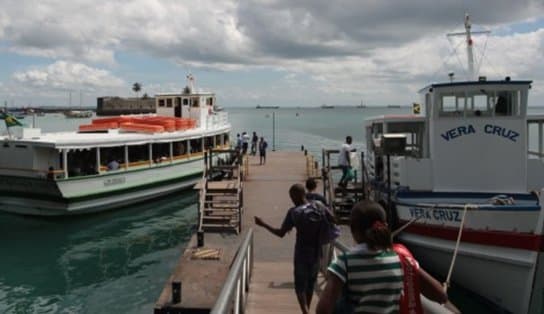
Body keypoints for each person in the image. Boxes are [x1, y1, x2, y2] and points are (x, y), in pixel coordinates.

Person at [316, 201, 449, 314]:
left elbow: (323, 309)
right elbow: (440, 295)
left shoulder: (345, 262)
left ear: (353, 230)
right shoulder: (400, 259)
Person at [254, 184, 322, 314]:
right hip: (317, 254)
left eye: (292, 196)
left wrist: (263, 224)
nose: (291, 199)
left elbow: (280, 233)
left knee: (299, 287)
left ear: (297, 195)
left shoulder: (294, 212)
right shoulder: (317, 206)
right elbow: (332, 221)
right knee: (310, 285)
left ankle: (305, 311)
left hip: (301, 253)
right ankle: (307, 308)